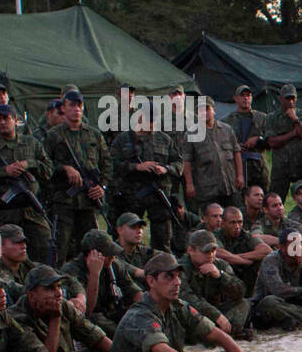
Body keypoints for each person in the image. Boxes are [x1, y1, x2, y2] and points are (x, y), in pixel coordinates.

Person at [108, 252, 266, 352]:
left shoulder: (177, 306)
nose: (177, 282)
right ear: (151, 281)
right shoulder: (140, 314)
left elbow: (220, 336)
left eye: (178, 276)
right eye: (169, 277)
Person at [8, 264, 116, 352]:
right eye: (49, 289)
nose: (58, 293)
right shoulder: (17, 318)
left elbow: (93, 335)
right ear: (32, 295)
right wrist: (55, 319)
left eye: (58, 286)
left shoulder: (62, 304)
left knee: (102, 351)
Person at [0, 103, 54, 263]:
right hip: (4, 212)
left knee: (45, 247)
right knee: (3, 256)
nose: (2, 122)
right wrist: (3, 172)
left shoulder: (31, 143)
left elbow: (49, 170)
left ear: (15, 120)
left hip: (31, 209)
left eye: (6, 118)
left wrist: (29, 163)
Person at [43, 89, 111, 266]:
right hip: (64, 200)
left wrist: (101, 186)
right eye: (72, 105)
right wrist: (65, 168)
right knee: (60, 246)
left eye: (79, 105)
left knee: (92, 246)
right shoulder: (53, 135)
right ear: (64, 108)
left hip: (88, 201)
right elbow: (45, 165)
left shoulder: (94, 134)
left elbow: (107, 163)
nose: (76, 109)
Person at [108, 101, 184, 253]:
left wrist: (166, 168)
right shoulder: (124, 139)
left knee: (162, 239)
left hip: (158, 195)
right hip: (131, 195)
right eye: (148, 118)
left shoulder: (164, 139)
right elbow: (111, 164)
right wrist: (136, 167)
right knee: (129, 236)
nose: (151, 123)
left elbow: (179, 162)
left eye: (153, 119)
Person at [61, 229, 143, 338]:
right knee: (103, 324)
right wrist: (94, 274)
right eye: (108, 255)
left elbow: (134, 292)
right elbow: (87, 311)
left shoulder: (114, 265)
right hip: (91, 319)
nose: (112, 258)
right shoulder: (72, 271)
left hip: (112, 312)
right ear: (93, 254)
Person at [180, 229, 254, 340]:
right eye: (205, 252)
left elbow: (240, 291)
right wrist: (216, 315)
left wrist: (220, 276)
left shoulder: (220, 264)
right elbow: (188, 299)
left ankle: (225, 333)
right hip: (193, 314)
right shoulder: (181, 268)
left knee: (243, 303)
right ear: (190, 250)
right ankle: (216, 335)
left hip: (214, 313)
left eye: (213, 250)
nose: (210, 255)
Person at [184, 99, 242, 214]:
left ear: (214, 110)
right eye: (200, 110)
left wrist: (240, 175)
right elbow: (187, 161)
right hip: (207, 188)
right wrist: (189, 184)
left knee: (234, 215)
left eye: (207, 109)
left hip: (229, 185)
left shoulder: (227, 129)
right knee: (213, 219)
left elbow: (236, 152)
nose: (204, 112)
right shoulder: (191, 134)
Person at [264, 85, 302, 201]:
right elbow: (272, 142)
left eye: (293, 98)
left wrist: (295, 119)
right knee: (274, 200)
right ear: (281, 99)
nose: (290, 101)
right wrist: (293, 134)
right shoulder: (272, 117)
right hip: (281, 168)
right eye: (287, 98)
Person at [215, 206, 273, 295]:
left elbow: (266, 251)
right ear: (223, 224)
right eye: (232, 223)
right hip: (227, 276)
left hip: (246, 273)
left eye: (240, 222)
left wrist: (238, 257)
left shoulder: (245, 235)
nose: (237, 226)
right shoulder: (216, 236)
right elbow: (220, 254)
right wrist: (246, 261)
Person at [225, 84, 269, 192]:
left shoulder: (262, 118)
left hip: (258, 166)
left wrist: (259, 138)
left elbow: (271, 138)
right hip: (237, 166)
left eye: (248, 96)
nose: (246, 98)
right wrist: (235, 146)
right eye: (242, 95)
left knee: (262, 197)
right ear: (236, 99)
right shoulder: (227, 121)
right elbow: (221, 143)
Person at [114, 212, 157, 284]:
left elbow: (163, 257)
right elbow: (117, 263)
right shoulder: (111, 252)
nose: (139, 231)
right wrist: (138, 272)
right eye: (133, 227)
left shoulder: (142, 251)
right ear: (120, 230)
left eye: (140, 227)